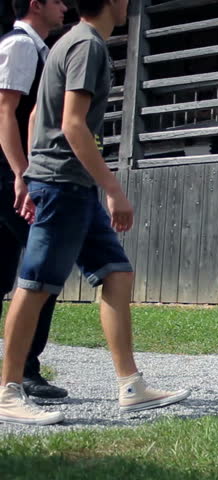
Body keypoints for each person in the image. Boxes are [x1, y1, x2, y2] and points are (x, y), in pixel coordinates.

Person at [0, 0, 189, 426]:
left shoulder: (69, 42)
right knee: (35, 283)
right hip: (65, 185)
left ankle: (130, 385)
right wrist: (113, 188)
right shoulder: (88, 46)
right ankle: (8, 390)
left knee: (116, 273)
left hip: (70, 184)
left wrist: (32, 171)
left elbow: (35, 117)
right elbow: (72, 124)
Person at [0, 0, 68, 400]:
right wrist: (21, 174)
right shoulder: (20, 47)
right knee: (43, 268)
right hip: (12, 176)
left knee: (8, 271)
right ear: (35, 5)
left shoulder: (37, 50)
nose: (65, 7)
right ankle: (25, 370)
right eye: (58, 0)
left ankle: (21, 367)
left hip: (13, 174)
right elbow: (5, 113)